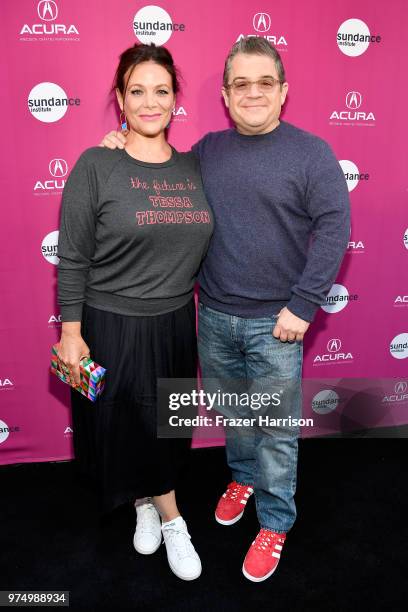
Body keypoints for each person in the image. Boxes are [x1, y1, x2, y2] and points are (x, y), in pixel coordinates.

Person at [101, 37, 350, 582]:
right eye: (241, 83)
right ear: (224, 94)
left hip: (277, 324)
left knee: (277, 428)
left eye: (265, 83)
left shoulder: (312, 153)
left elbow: (335, 228)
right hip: (212, 316)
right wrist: (121, 144)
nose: (253, 93)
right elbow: (160, 171)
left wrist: (303, 306)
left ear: (283, 92)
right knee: (236, 413)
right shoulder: (208, 151)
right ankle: (241, 476)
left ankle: (276, 522)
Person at [56, 43, 213, 582]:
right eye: (137, 91)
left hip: (174, 322)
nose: (151, 102)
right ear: (121, 100)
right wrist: (71, 334)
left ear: (176, 100)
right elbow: (73, 256)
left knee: (167, 428)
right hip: (109, 323)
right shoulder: (96, 164)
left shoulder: (198, 166)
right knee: (123, 424)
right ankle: (172, 519)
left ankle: (145, 502)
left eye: (161, 91)